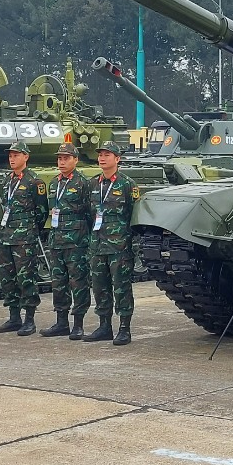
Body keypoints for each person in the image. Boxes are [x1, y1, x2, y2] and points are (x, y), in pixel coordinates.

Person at [0, 141, 48, 336]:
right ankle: (14, 317)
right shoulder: (8, 179)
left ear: (26, 157)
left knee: (26, 279)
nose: (12, 158)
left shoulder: (35, 182)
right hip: (6, 236)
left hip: (24, 238)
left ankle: (29, 320)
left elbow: (42, 212)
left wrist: (31, 231)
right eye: (10, 155)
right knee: (8, 278)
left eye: (16, 155)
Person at [85, 141, 138, 346]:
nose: (102, 157)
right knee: (100, 287)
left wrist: (125, 240)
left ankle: (124, 328)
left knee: (121, 287)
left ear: (117, 159)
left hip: (119, 247)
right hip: (97, 245)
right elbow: (89, 215)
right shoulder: (93, 184)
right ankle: (104, 326)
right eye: (100, 154)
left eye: (107, 154)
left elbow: (133, 215)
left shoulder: (127, 185)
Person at [41, 142, 94, 339]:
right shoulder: (54, 183)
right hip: (56, 240)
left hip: (76, 241)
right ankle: (61, 322)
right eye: (60, 158)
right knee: (58, 283)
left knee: (78, 282)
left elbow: (90, 213)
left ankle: (78, 323)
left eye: (66, 158)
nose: (62, 162)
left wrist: (85, 238)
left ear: (75, 160)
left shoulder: (83, 184)